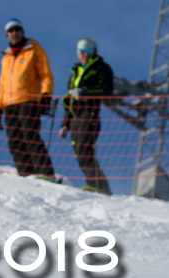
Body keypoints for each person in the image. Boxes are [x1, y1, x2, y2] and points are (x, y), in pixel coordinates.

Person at [0, 18, 56, 178]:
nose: (14, 33)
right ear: (7, 35)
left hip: (29, 101)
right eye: (11, 31)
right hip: (10, 105)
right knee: (15, 142)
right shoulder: (6, 58)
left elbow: (46, 75)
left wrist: (46, 95)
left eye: (17, 30)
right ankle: (26, 175)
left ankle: (47, 174)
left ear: (22, 32)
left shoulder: (34, 50)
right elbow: (2, 86)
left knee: (30, 136)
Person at [58, 38, 114, 195]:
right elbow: (69, 101)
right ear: (77, 53)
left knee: (84, 149)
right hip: (76, 116)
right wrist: (65, 124)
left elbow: (106, 90)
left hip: (90, 114)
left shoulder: (101, 68)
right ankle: (102, 188)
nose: (85, 55)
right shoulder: (75, 73)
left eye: (89, 51)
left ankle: (96, 185)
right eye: (82, 51)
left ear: (94, 52)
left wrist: (85, 93)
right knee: (79, 151)